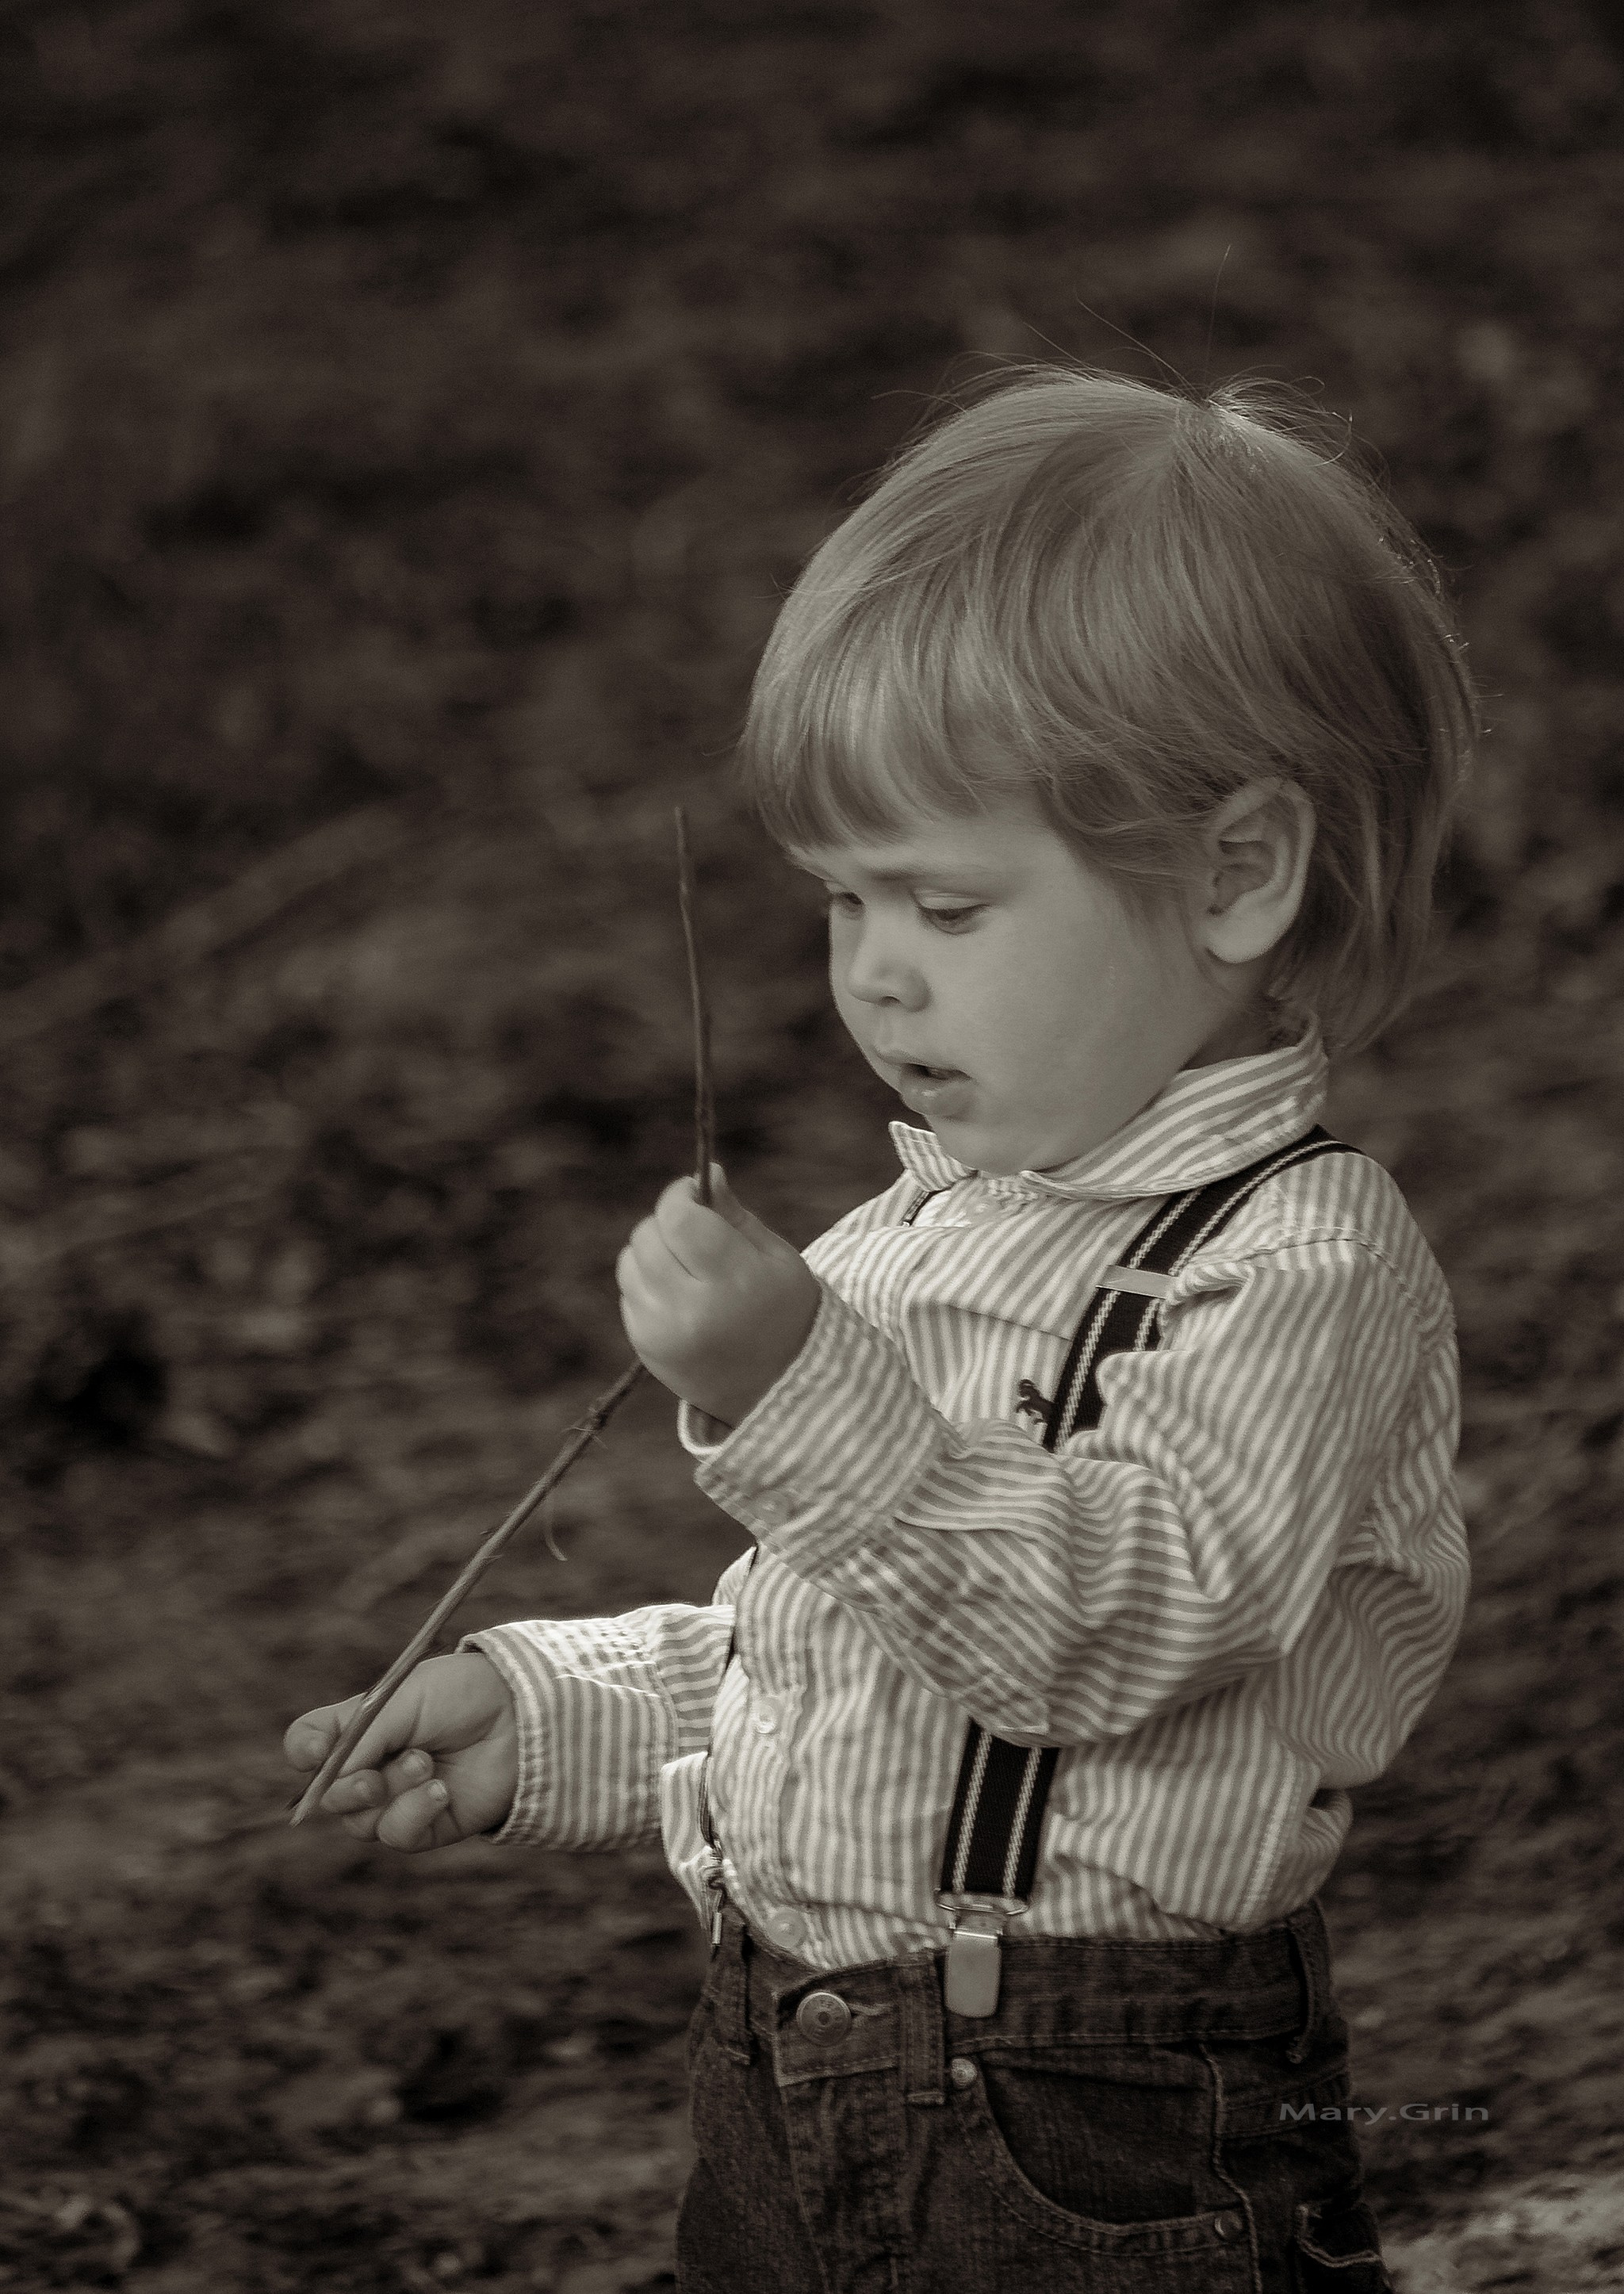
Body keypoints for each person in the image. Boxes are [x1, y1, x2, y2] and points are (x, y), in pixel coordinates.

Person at [286, 368, 1474, 2294]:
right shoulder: (919, 1238)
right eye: (842, 902)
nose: (877, 974)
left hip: (1091, 2122)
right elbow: (850, 1644)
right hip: (782, 2084)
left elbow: (1117, 1622)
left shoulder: (1296, 1270)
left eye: (945, 899)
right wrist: (553, 1710)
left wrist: (791, 1391)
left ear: (1237, 874)